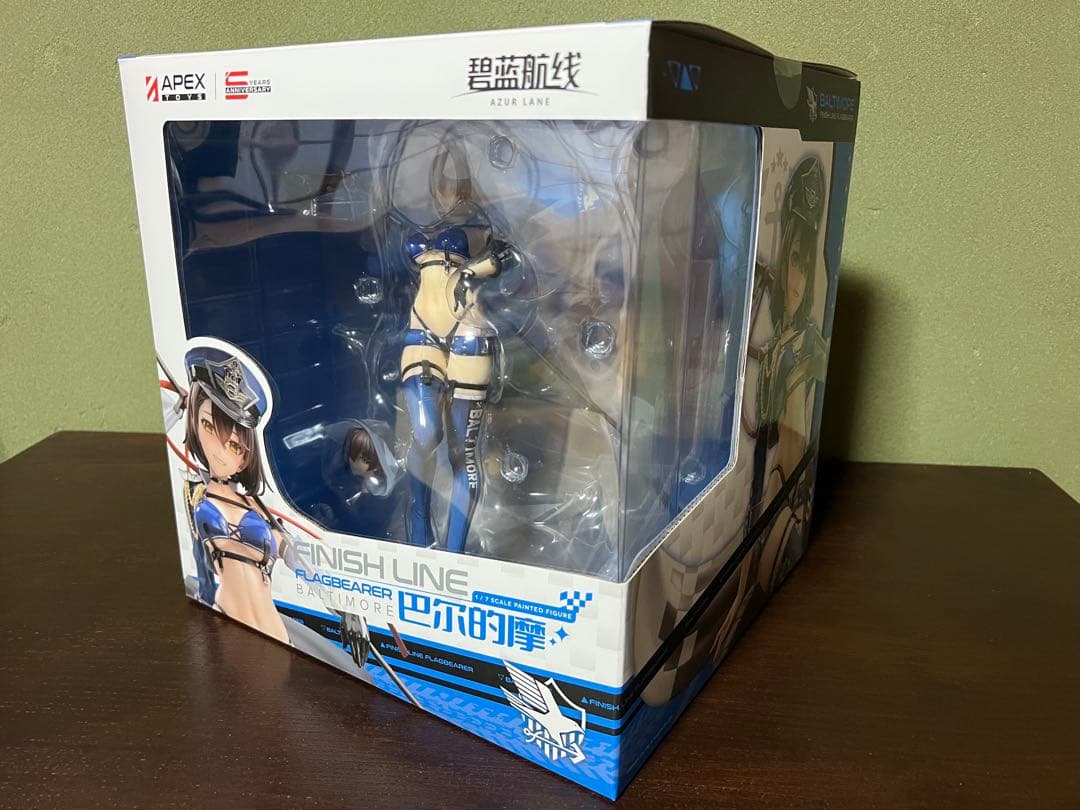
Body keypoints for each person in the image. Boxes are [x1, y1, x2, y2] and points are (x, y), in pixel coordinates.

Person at [399, 227, 508, 552]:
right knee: (425, 434)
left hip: (469, 332)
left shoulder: (482, 224)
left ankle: (454, 553)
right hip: (423, 335)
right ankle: (420, 523)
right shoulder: (412, 216)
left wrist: (484, 263)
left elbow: (505, 259)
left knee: (463, 453)